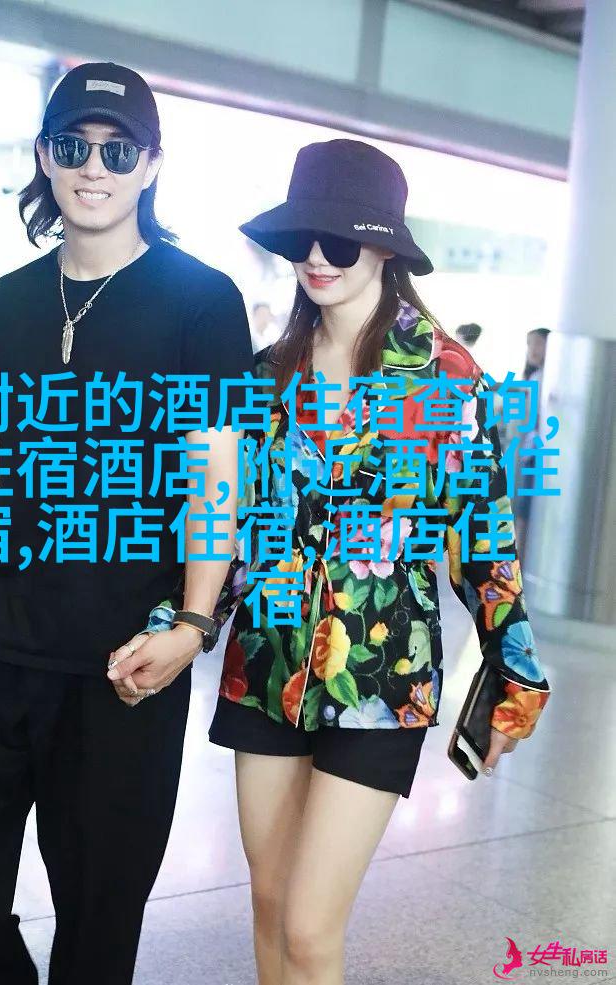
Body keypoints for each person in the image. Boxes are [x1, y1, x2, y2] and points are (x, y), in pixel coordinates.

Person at [188, 139, 552, 985]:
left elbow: (483, 542)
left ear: (385, 249)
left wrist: (515, 673)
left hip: (382, 683)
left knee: (311, 926)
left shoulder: (445, 378)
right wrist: (183, 622)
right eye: (301, 239)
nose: (316, 257)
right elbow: (235, 528)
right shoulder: (264, 377)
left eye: (340, 241)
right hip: (264, 663)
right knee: (269, 901)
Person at [0, 61, 253, 985]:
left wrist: (192, 623)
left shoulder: (202, 301)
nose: (94, 168)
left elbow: (214, 476)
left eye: (119, 151)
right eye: (74, 146)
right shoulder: (9, 299)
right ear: (45, 155)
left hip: (123, 658)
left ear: (151, 164)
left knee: (100, 911)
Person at [511, 327, 551, 562]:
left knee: (526, 513)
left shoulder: (544, 378)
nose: (533, 350)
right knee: (525, 512)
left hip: (538, 455)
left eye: (538, 343)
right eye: (530, 344)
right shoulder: (535, 378)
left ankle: (521, 565)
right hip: (532, 454)